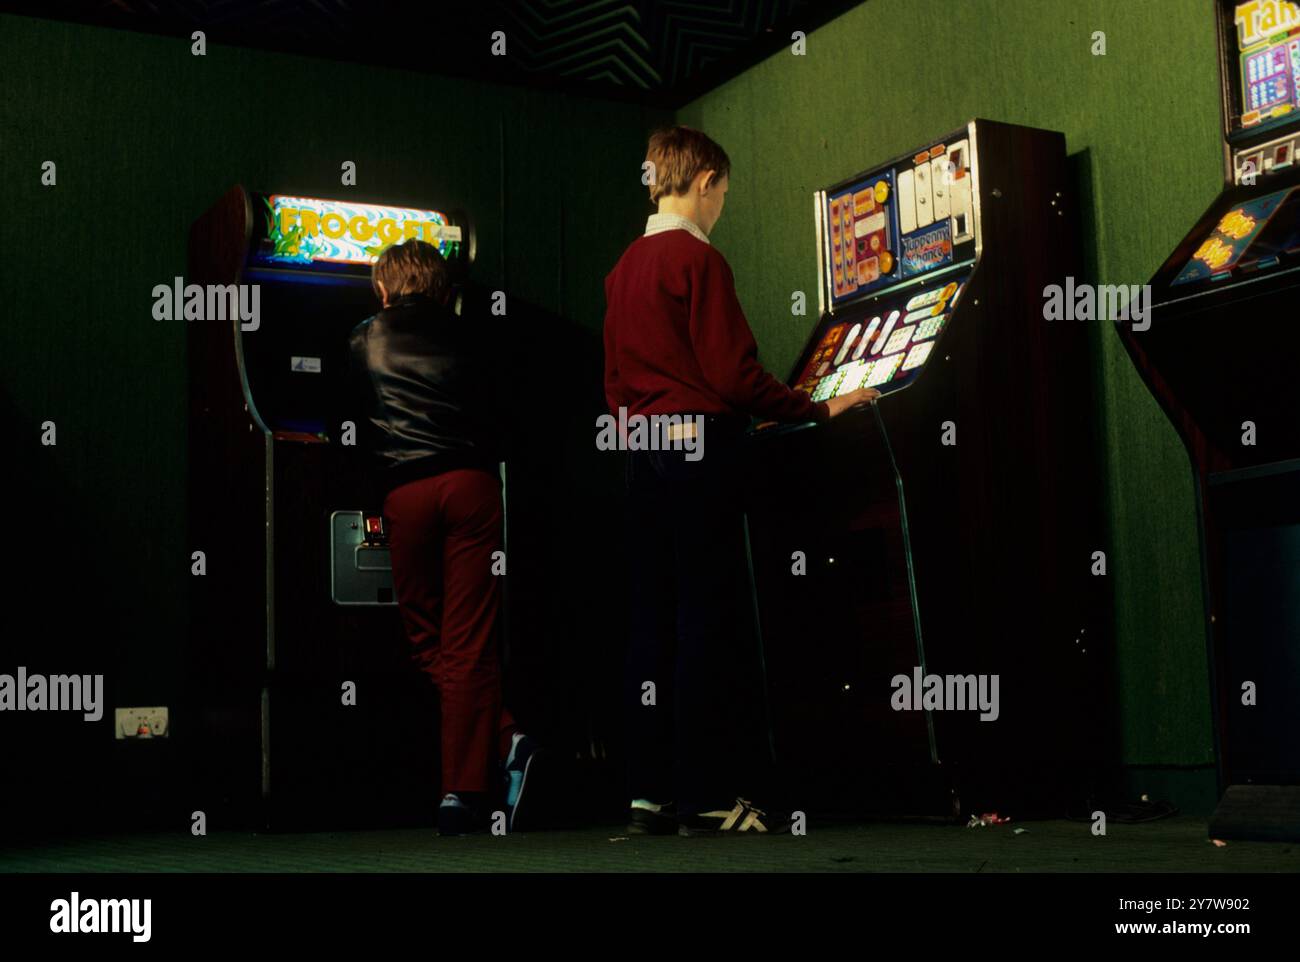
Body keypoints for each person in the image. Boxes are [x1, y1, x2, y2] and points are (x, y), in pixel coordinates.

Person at [603, 126, 878, 837]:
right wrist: (817, 406)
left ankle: (648, 796)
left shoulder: (624, 268)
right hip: (701, 448)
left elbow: (615, 383)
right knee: (705, 619)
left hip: (640, 449)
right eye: (722, 192)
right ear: (703, 184)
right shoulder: (700, 261)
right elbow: (731, 373)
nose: (721, 205)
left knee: (649, 624)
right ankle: (705, 798)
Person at [345, 239, 539, 836]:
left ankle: (465, 787)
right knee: (470, 642)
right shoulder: (477, 336)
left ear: (383, 288)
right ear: (443, 288)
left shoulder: (361, 337)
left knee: (427, 638)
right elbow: (507, 420)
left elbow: (339, 423)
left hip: (405, 492)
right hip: (472, 487)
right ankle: (500, 751)